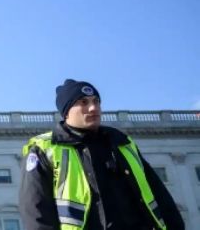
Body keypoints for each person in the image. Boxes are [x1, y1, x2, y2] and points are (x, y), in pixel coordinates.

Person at [19, 79, 184, 230]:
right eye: (83, 102)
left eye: (96, 102)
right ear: (67, 111)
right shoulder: (44, 149)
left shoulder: (122, 143)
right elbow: (36, 211)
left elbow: (160, 196)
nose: (93, 108)